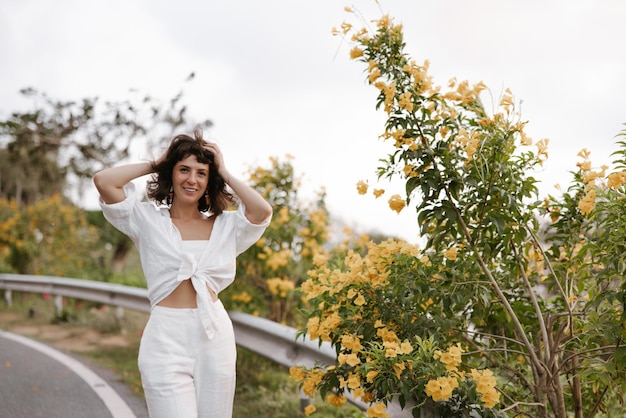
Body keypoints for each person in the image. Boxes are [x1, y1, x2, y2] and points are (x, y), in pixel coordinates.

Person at [93, 127, 272, 418]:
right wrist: (157, 162)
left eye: (201, 173)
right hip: (165, 337)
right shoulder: (146, 219)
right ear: (171, 174)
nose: (192, 179)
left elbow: (262, 211)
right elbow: (104, 181)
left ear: (208, 181)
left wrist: (223, 170)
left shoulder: (226, 226)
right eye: (184, 169)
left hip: (214, 335)